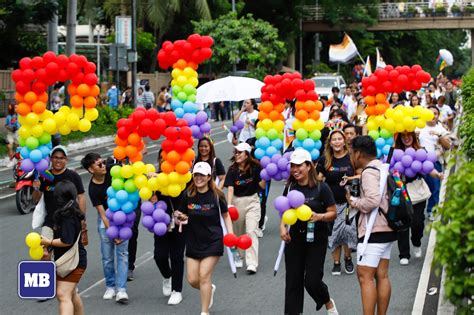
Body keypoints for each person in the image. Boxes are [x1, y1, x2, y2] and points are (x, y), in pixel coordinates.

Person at [280, 148, 338, 315]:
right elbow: (284, 211)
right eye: (292, 166)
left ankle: (327, 301)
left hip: (316, 239)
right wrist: (282, 227)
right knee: (293, 282)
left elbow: (333, 212)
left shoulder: (322, 187)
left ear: (309, 166)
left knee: (312, 281)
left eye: (299, 166)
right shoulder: (290, 187)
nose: (295, 170)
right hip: (294, 239)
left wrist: (319, 216)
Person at [346, 136, 397, 315]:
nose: (351, 156)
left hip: (372, 230)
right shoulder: (382, 167)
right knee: (382, 276)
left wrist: (353, 201)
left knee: (365, 276)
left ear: (358, 153)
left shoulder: (368, 171)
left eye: (351, 152)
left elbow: (372, 200)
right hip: (388, 228)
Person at [176, 162, 233, 315]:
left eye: (202, 175)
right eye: (196, 175)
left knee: (204, 276)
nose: (199, 178)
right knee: (192, 280)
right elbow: (178, 213)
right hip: (194, 241)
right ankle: (209, 289)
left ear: (209, 177)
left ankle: (204, 312)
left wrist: (230, 234)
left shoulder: (217, 195)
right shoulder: (188, 195)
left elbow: (226, 216)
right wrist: (179, 217)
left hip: (213, 241)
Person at [81, 153, 129, 303]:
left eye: (103, 162)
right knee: (107, 257)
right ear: (90, 170)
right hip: (106, 221)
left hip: (122, 216)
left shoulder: (112, 170)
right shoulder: (93, 189)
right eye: (99, 164)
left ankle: (121, 290)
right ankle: (110, 286)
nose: (103, 166)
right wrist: (113, 233)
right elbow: (102, 214)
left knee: (122, 255)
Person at [394, 132, 443, 265]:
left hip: (417, 191)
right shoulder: (394, 151)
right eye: (402, 136)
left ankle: (416, 241)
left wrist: (438, 175)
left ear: (413, 136)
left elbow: (428, 168)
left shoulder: (421, 151)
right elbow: (387, 168)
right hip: (399, 190)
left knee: (417, 222)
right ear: (399, 138)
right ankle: (404, 254)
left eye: (408, 135)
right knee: (402, 223)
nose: (406, 138)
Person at [40, 180, 86, 315]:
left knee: (62, 295)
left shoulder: (68, 216)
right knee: (71, 293)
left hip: (74, 261)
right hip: (69, 260)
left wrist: (49, 242)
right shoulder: (70, 211)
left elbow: (67, 241)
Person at [317, 130, 357, 276]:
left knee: (346, 231)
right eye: (334, 139)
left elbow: (361, 173)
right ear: (330, 142)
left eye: (340, 139)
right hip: (330, 203)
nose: (337, 142)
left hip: (348, 202)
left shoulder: (352, 157)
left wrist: (351, 179)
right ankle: (336, 263)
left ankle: (347, 259)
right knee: (334, 233)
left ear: (344, 140)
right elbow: (318, 179)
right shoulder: (325, 159)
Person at [33, 146, 87, 253]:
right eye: (55, 157)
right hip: (50, 221)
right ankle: (49, 269)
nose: (58, 160)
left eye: (61, 158)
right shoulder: (44, 176)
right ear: (51, 159)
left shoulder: (73, 176)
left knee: (68, 252)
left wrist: (82, 218)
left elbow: (81, 197)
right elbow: (36, 199)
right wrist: (36, 188)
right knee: (44, 253)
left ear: (66, 160)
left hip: (69, 221)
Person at [224, 142, 265, 274]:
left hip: (252, 201)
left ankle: (252, 263)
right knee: (238, 232)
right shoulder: (232, 170)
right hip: (237, 202)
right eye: (235, 152)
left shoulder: (256, 167)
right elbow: (230, 189)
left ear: (247, 154)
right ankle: (239, 254)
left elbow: (262, 186)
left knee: (251, 231)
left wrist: (266, 177)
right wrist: (229, 205)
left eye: (240, 152)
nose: (237, 155)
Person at [418, 106, 451, 220]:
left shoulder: (441, 129)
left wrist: (439, 136)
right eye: (430, 113)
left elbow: (448, 146)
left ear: (438, 116)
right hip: (418, 163)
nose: (433, 115)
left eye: (435, 113)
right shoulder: (419, 127)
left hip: (434, 163)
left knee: (435, 189)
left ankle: (432, 211)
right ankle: (418, 213)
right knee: (419, 189)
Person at [5, 103, 19, 167]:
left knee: (17, 146)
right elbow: (6, 125)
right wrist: (10, 128)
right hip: (10, 133)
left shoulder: (19, 115)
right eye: (15, 107)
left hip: (17, 132)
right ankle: (11, 161)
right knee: (9, 146)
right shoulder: (8, 116)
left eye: (17, 107)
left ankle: (17, 160)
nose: (16, 108)